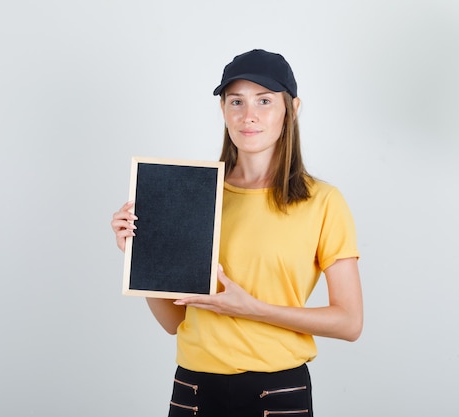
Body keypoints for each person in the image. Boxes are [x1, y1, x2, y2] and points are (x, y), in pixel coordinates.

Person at [111, 49, 363, 417]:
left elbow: (349, 322)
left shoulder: (322, 201)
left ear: (291, 109)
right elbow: (174, 322)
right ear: (224, 110)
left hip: (277, 392)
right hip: (193, 389)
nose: (249, 116)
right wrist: (141, 255)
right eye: (236, 101)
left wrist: (253, 310)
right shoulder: (193, 193)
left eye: (264, 101)